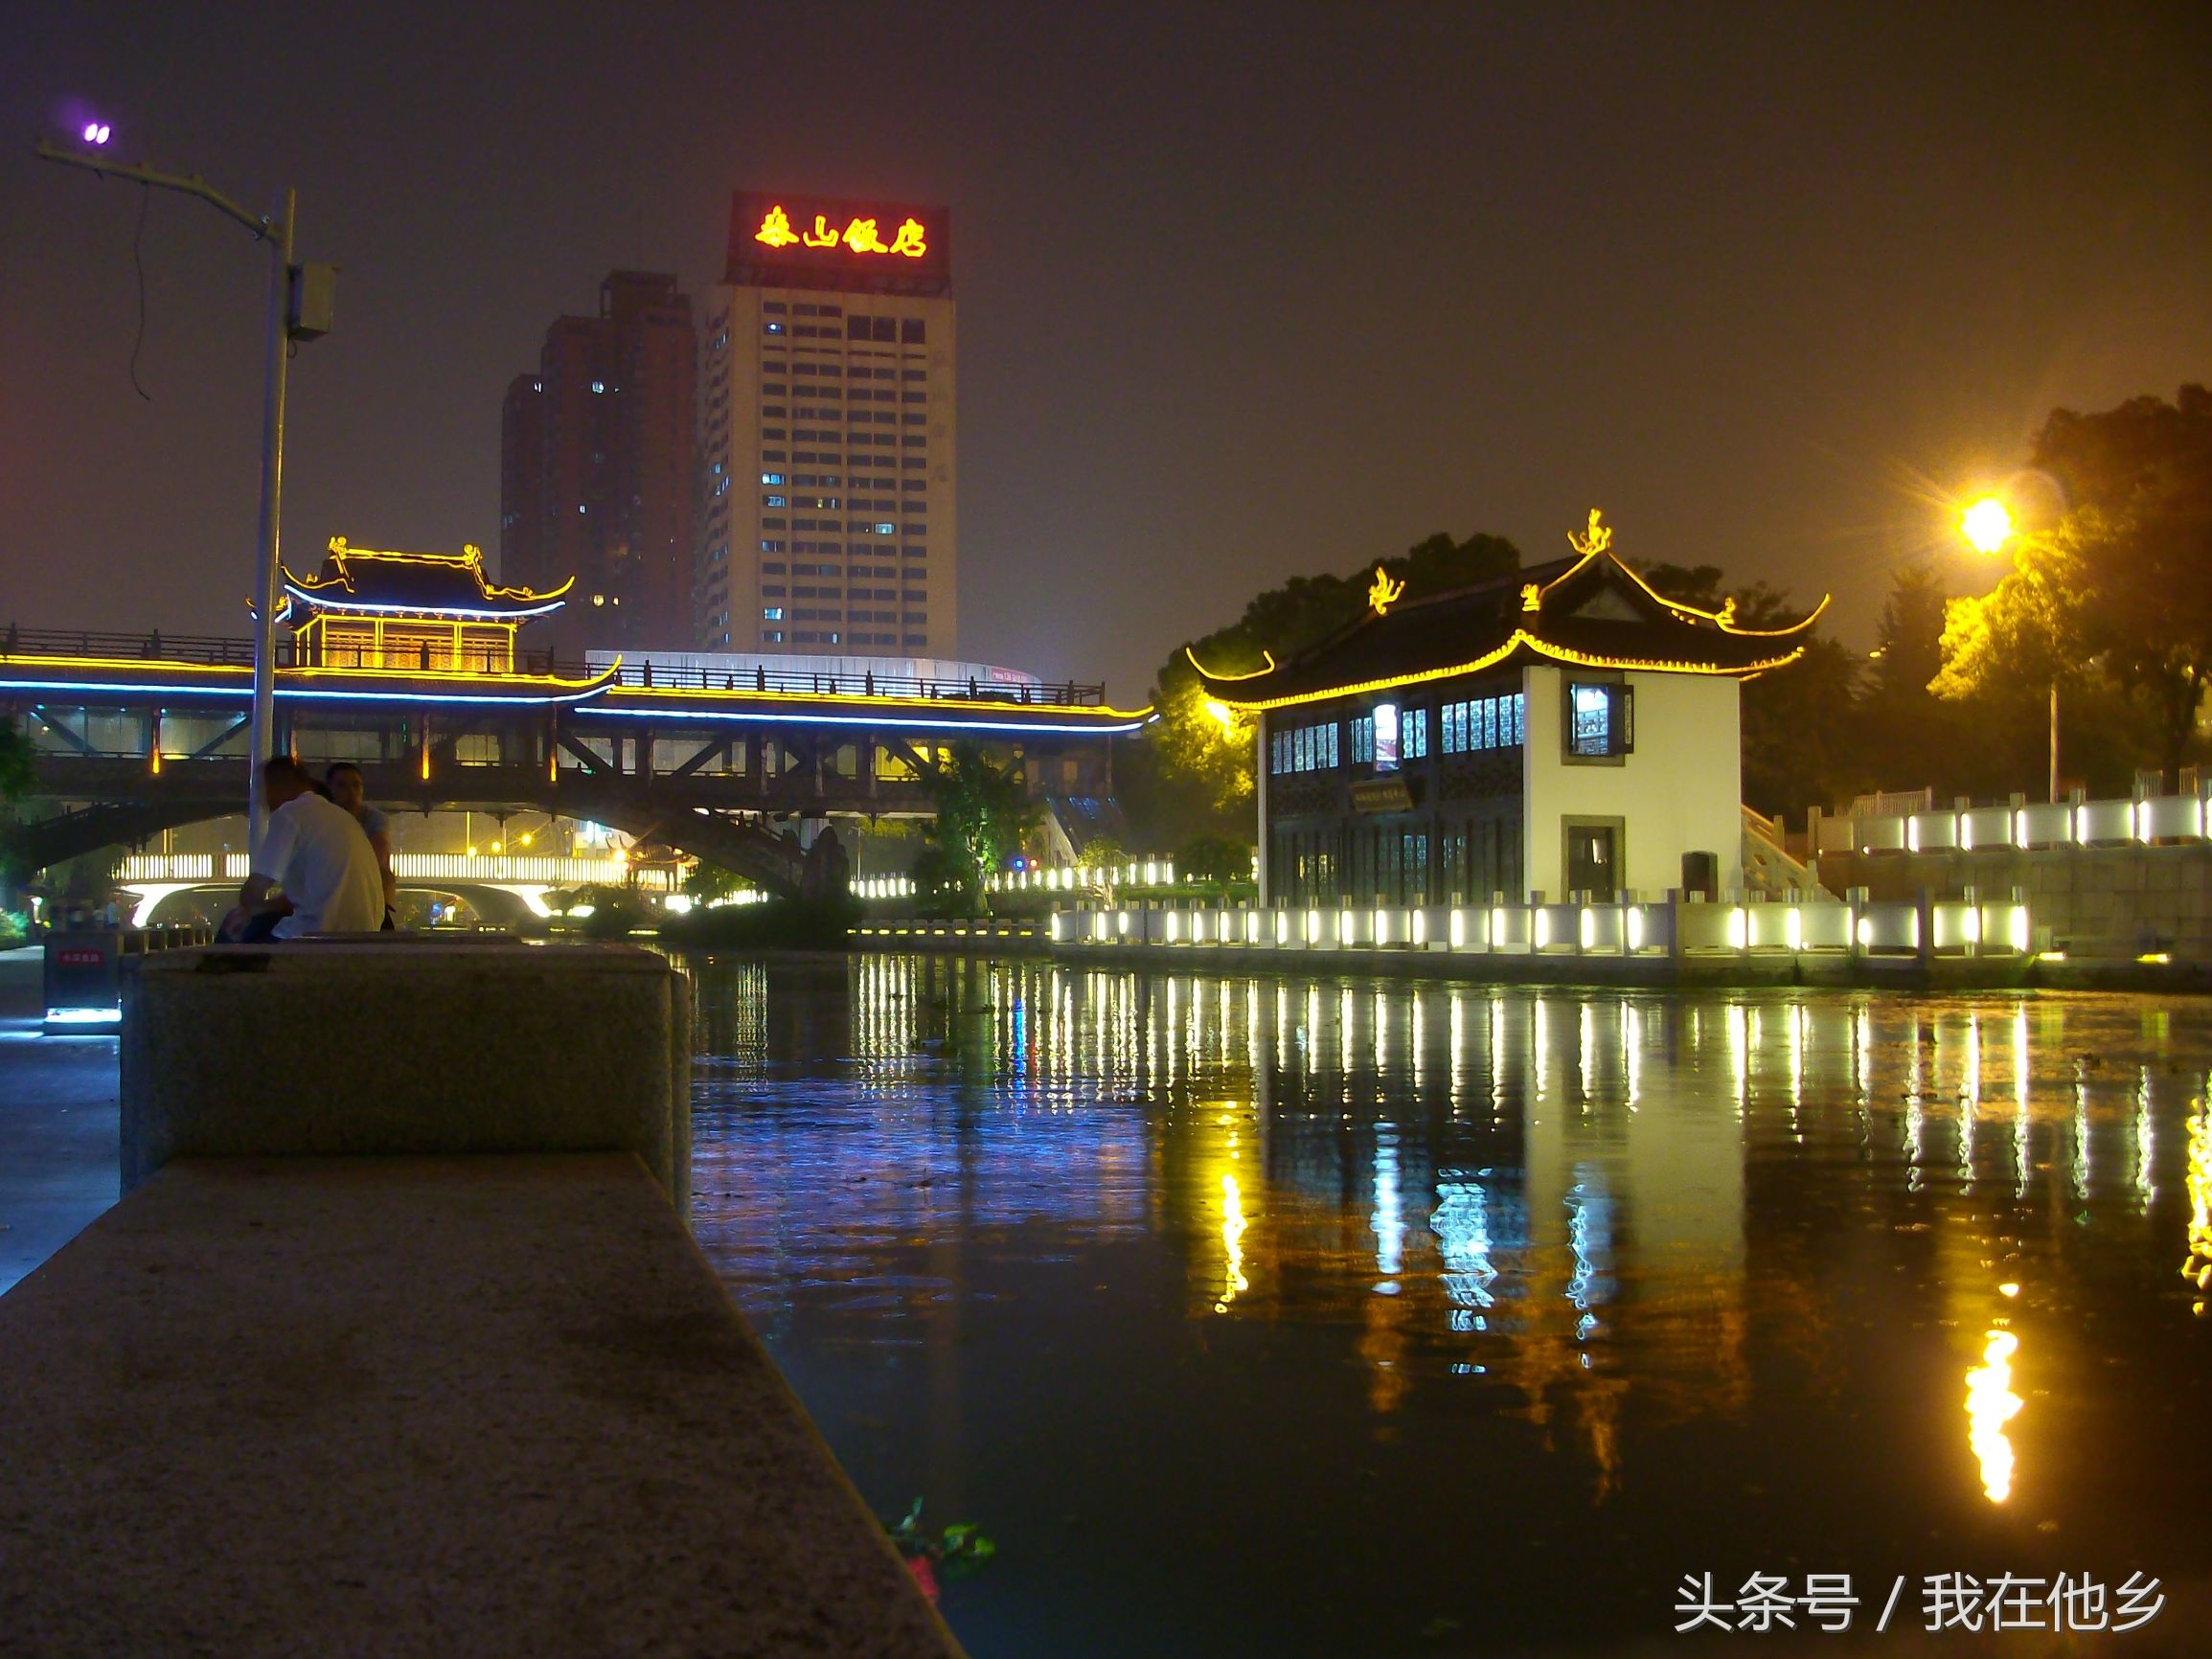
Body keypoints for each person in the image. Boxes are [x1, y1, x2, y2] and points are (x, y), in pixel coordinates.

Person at [227, 756, 386, 940]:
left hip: (316, 934)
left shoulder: (289, 814)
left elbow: (256, 888)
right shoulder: (342, 817)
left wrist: (245, 910)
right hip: (366, 933)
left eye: (262, 791)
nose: (262, 802)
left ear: (277, 785)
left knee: (235, 935)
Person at [326, 761, 399, 929]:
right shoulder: (326, 820)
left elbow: (380, 849)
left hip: (371, 892)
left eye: (356, 785)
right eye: (342, 786)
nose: (351, 792)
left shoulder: (374, 818)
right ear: (330, 790)